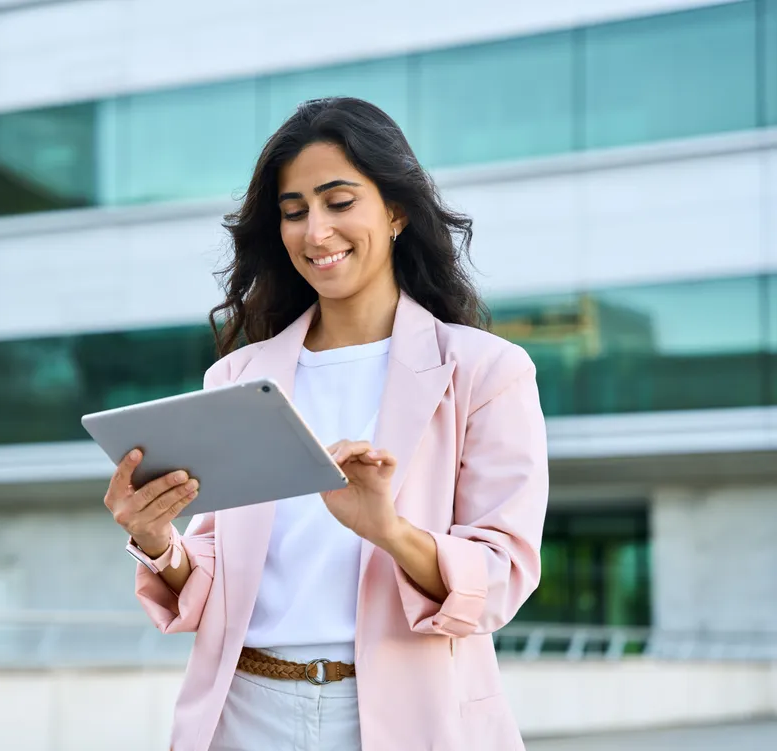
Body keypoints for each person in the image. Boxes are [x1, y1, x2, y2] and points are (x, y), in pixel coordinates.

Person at [103, 97, 547, 751]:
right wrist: (155, 536)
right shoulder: (239, 378)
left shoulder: (485, 371)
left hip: (404, 714)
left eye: (339, 202)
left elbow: (501, 576)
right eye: (294, 211)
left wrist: (389, 531)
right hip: (244, 711)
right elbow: (209, 582)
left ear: (396, 211)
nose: (316, 232)